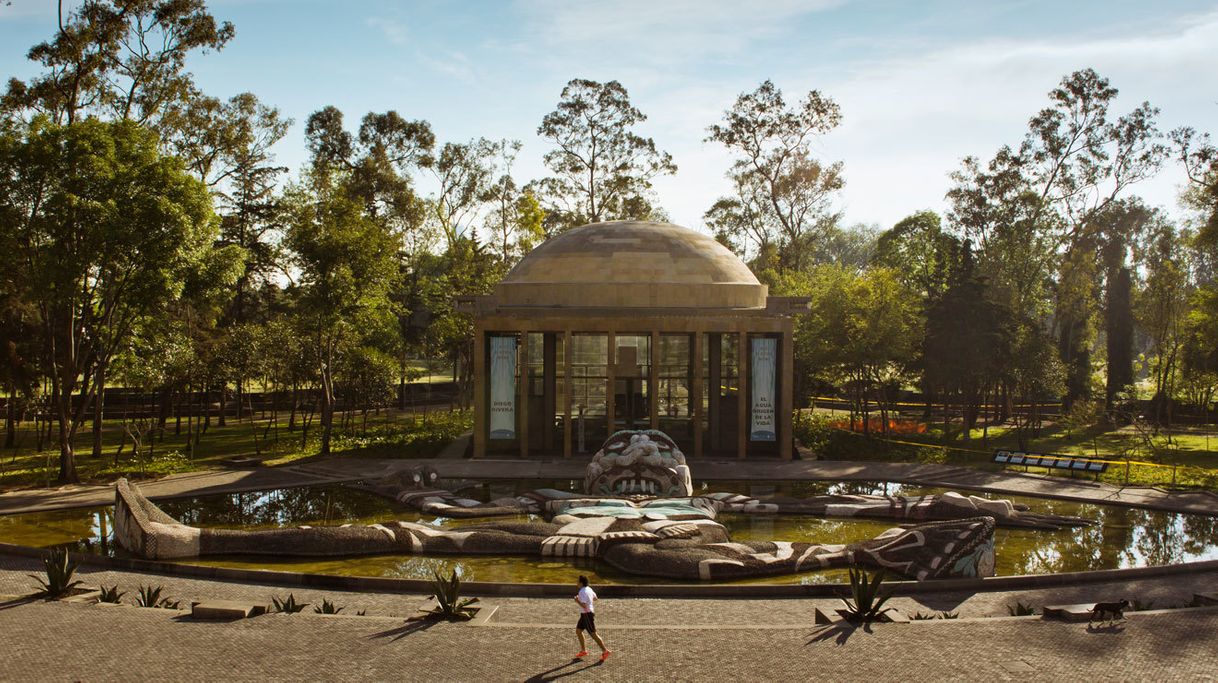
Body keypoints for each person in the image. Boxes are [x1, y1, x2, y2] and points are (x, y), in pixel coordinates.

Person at [574, 575, 610, 661]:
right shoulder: (589, 589)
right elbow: (595, 598)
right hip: (585, 614)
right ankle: (583, 651)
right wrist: (589, 600)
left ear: (581, 583)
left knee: (593, 634)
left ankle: (605, 651)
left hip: (587, 614)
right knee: (578, 631)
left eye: (577, 581)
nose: (576, 583)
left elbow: (584, 606)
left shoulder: (582, 592)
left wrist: (577, 600)